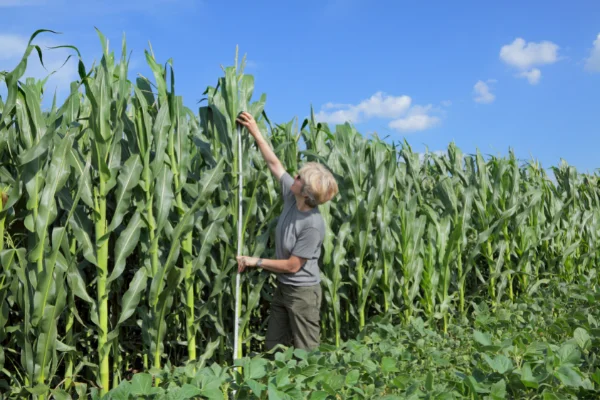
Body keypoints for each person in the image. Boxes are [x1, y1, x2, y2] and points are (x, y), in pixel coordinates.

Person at [235, 111, 339, 352]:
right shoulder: (292, 198)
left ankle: (313, 389)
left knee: (306, 352)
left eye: (300, 178)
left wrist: (255, 261)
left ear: (307, 192)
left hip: (303, 292)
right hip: (283, 288)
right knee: (274, 347)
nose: (294, 176)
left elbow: (293, 266)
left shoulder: (312, 224)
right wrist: (255, 131)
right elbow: (274, 164)